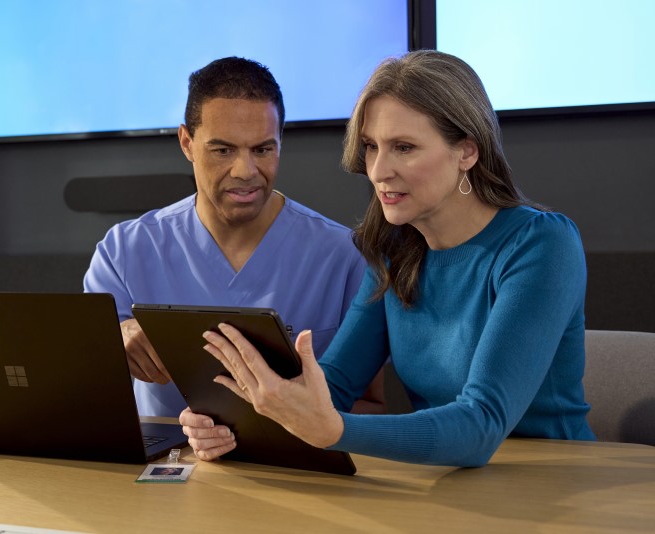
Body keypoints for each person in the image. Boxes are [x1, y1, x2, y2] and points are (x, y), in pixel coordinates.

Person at [181, 50, 596, 467]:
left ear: (467, 152)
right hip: (449, 480)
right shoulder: (394, 251)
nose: (379, 170)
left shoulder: (540, 244)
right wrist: (227, 422)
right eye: (371, 147)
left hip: (553, 478)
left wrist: (335, 431)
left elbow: (482, 423)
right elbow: (332, 386)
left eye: (404, 147)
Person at [84, 57, 383, 417]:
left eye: (262, 150)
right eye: (223, 150)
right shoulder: (122, 252)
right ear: (187, 143)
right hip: (168, 464)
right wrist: (116, 335)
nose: (245, 171)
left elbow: (373, 408)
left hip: (293, 468)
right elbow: (85, 392)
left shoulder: (344, 257)